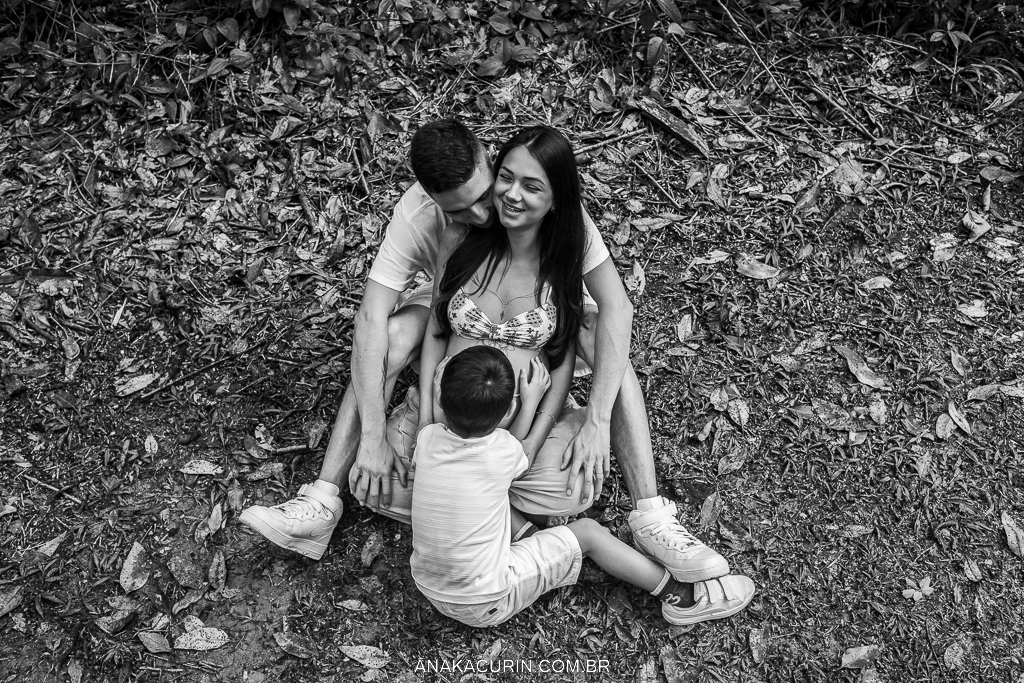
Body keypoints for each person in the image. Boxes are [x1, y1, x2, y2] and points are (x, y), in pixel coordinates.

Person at [240, 120, 727, 585]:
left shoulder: (562, 230)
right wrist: (399, 432)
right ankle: (326, 500)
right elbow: (400, 323)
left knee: (593, 405)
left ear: (488, 164)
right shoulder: (438, 227)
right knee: (381, 440)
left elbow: (589, 331)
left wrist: (582, 427)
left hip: (521, 415)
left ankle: (650, 518)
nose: (484, 212)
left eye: (486, 196)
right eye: (462, 208)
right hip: (453, 409)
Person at [412, 345, 756, 628]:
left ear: (440, 399)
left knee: (485, 496)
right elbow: (520, 445)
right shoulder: (502, 453)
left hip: (429, 582)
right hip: (485, 598)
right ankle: (681, 598)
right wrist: (530, 402)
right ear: (508, 410)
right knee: (589, 533)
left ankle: (533, 536)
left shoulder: (427, 440)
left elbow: (484, 438)